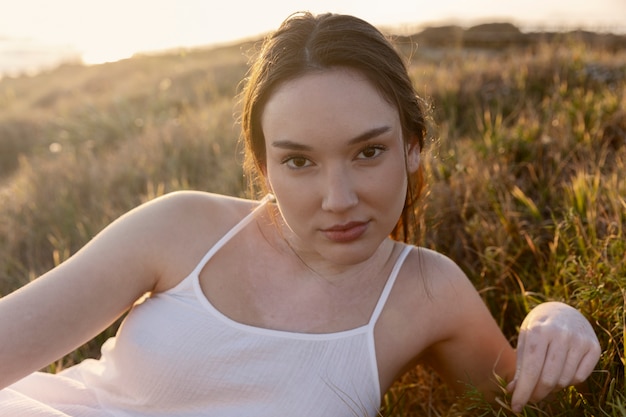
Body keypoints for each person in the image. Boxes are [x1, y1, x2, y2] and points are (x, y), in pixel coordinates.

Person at [0, 11, 600, 417]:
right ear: (263, 166)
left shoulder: (426, 291)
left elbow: (522, 397)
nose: (338, 198)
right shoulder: (180, 229)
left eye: (368, 152)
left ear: (413, 145)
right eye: (299, 162)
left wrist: (558, 314)